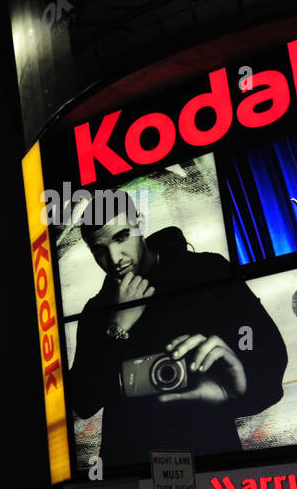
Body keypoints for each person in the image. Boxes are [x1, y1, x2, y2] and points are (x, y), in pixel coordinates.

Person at [67, 191, 288, 465]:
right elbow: (82, 402)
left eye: (121, 236)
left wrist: (236, 385)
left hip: (208, 451)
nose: (114, 258)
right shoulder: (97, 310)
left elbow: (269, 355)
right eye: (99, 250)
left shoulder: (207, 271)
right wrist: (116, 327)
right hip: (132, 462)